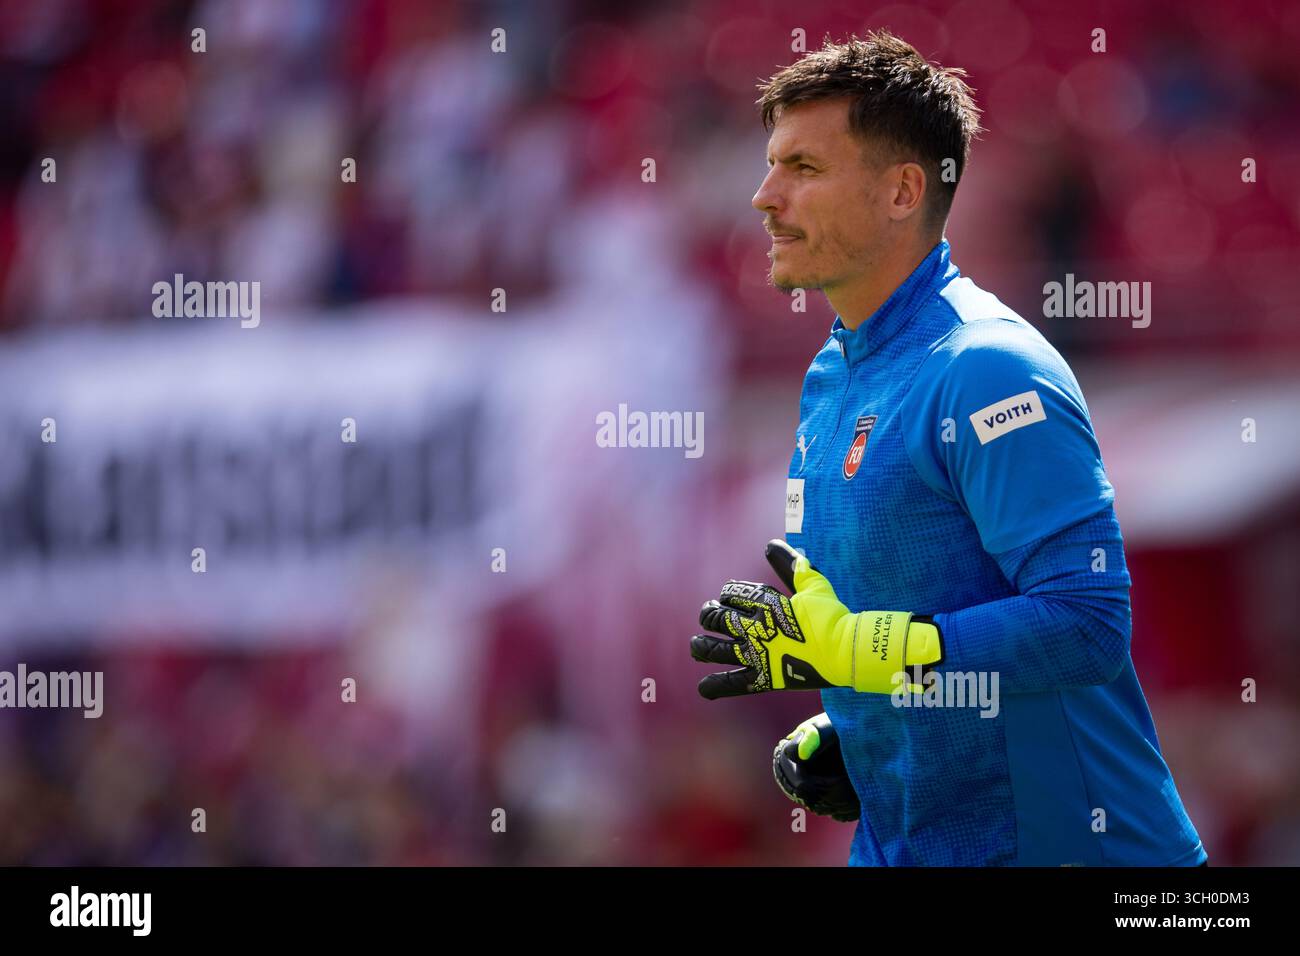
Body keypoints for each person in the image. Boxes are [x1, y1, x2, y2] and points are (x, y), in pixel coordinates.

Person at [689, 31, 1206, 867]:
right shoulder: (833, 376)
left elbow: (1086, 626)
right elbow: (921, 628)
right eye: (771, 163)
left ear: (901, 191)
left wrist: (870, 657)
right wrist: (854, 727)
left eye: (804, 169)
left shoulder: (987, 370)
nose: (763, 196)